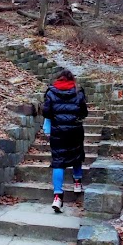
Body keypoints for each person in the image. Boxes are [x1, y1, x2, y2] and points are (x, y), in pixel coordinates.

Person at [42, 68, 88, 213]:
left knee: (58, 161)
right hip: (75, 130)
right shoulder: (78, 92)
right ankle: (77, 183)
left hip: (58, 131)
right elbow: (83, 112)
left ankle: (57, 197)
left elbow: (46, 112)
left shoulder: (51, 92)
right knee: (77, 155)